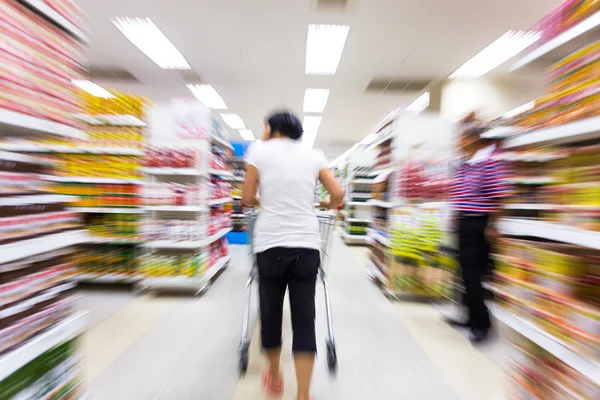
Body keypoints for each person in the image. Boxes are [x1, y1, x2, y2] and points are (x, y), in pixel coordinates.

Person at [242, 111, 344, 400]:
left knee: (270, 315)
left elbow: (247, 198)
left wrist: (265, 200)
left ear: (272, 128)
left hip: (270, 245)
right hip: (306, 246)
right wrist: (325, 202)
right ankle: (303, 395)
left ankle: (275, 378)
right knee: (304, 320)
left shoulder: (258, 152)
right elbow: (338, 193)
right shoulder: (314, 156)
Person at [448, 120, 513, 344]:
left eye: (462, 138)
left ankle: (483, 324)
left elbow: (501, 196)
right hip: (464, 224)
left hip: (479, 225)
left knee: (473, 276)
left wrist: (492, 225)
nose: (458, 142)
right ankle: (468, 317)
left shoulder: (489, 163)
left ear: (473, 139)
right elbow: (461, 196)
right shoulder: (465, 164)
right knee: (464, 274)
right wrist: (455, 216)